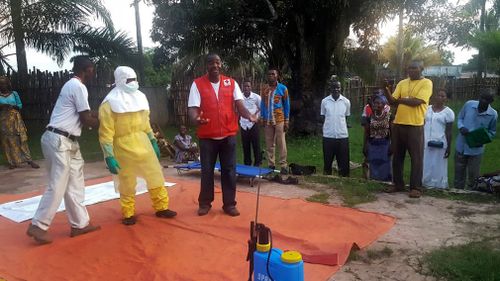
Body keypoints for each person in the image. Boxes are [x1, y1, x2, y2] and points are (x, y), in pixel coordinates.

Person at [27, 56, 100, 244]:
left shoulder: (71, 85)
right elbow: (86, 118)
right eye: (92, 69)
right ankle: (39, 225)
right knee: (58, 183)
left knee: (75, 181)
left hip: (66, 140)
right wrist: (107, 122)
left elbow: (86, 113)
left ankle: (80, 224)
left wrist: (102, 114)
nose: (94, 73)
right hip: (60, 140)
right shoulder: (78, 86)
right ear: (86, 69)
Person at [99, 66, 177, 225]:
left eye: (135, 80)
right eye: (129, 80)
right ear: (120, 81)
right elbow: (105, 133)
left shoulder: (140, 97)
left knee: (155, 175)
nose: (133, 83)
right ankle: (128, 213)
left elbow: (146, 123)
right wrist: (109, 156)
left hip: (143, 143)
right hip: (122, 146)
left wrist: (153, 140)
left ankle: (161, 207)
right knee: (127, 180)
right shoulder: (108, 104)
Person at [188, 54, 257, 217]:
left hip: (228, 135)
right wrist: (196, 119)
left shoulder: (231, 83)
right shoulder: (197, 84)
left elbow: (240, 105)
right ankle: (205, 203)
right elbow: (192, 108)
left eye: (218, 62)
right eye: (212, 63)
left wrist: (249, 115)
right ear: (207, 66)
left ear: (221, 64)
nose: (215, 65)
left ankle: (229, 204)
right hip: (207, 137)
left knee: (229, 171)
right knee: (206, 171)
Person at [383, 61, 433, 198]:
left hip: (415, 125)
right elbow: (392, 101)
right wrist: (386, 90)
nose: (411, 70)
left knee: (416, 158)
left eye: (414, 68)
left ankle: (416, 187)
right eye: (409, 68)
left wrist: (400, 100)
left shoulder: (427, 83)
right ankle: (398, 184)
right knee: (397, 156)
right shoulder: (402, 83)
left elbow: (417, 102)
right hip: (398, 124)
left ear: (421, 69)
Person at [454, 89, 497, 189]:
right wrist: (461, 127)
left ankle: (472, 192)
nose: (483, 101)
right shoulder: (469, 104)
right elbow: (460, 117)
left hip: (476, 149)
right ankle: (457, 191)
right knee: (459, 171)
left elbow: (492, 131)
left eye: (486, 99)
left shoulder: (493, 114)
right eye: (482, 98)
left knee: (473, 174)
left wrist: (482, 140)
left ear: (491, 101)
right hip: (462, 145)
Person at [0, 76, 39, 169]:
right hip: (4, 121)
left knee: (21, 139)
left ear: (7, 84)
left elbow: (20, 105)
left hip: (15, 119)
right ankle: (12, 162)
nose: (3, 86)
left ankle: (29, 160)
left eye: (4, 83)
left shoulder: (14, 94)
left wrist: (13, 106)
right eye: (1, 84)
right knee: (7, 141)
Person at [260, 67, 290, 174]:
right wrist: (262, 117)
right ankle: (271, 165)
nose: (271, 76)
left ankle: (283, 165)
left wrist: (286, 120)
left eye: (273, 74)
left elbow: (286, 105)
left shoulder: (283, 88)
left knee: (281, 142)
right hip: (267, 120)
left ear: (277, 76)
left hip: (279, 119)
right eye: (269, 74)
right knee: (269, 144)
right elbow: (262, 104)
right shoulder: (264, 89)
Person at [422, 89, 455, 189]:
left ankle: (437, 185)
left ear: (446, 99)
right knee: (425, 162)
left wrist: (448, 147)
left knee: (438, 164)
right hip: (425, 140)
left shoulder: (448, 112)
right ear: (435, 96)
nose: (440, 98)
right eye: (439, 95)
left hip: (440, 142)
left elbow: (449, 131)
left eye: (443, 96)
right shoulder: (426, 109)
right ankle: (424, 183)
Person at [320, 80, 351, 177]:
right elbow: (323, 116)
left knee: (344, 162)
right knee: (327, 160)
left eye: (338, 87)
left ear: (341, 88)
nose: (336, 89)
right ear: (330, 88)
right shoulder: (324, 101)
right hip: (328, 135)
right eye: (334, 87)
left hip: (342, 136)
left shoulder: (346, 102)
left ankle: (344, 178)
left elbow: (346, 117)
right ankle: (327, 177)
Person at [363, 92, 392, 181]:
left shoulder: (389, 117)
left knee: (384, 163)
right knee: (373, 162)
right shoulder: (370, 117)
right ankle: (374, 181)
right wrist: (365, 145)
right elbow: (366, 133)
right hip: (373, 143)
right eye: (375, 103)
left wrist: (392, 145)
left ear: (384, 105)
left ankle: (384, 182)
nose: (377, 105)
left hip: (384, 143)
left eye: (379, 103)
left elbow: (392, 133)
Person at [240, 79, 262, 166]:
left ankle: (257, 163)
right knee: (245, 146)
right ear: (242, 87)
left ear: (251, 87)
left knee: (256, 145)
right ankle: (247, 164)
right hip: (243, 124)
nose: (246, 88)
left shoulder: (256, 97)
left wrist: (256, 118)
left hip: (253, 124)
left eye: (248, 86)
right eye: (245, 86)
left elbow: (261, 108)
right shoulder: (240, 97)